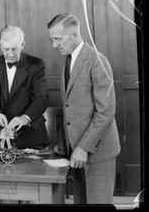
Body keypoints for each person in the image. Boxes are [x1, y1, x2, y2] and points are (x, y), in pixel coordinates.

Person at [47, 13, 121, 204]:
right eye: (52, 39)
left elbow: (105, 112)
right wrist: (66, 145)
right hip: (76, 152)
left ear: (75, 34)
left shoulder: (97, 60)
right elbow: (70, 107)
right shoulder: (68, 60)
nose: (54, 45)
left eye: (58, 39)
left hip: (97, 152)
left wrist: (83, 148)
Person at [0, 25, 49, 149]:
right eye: (6, 49)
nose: (10, 54)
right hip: (0, 136)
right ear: (0, 45)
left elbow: (41, 99)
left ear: (22, 44)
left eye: (15, 49)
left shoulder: (36, 65)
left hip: (31, 137)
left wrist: (25, 118)